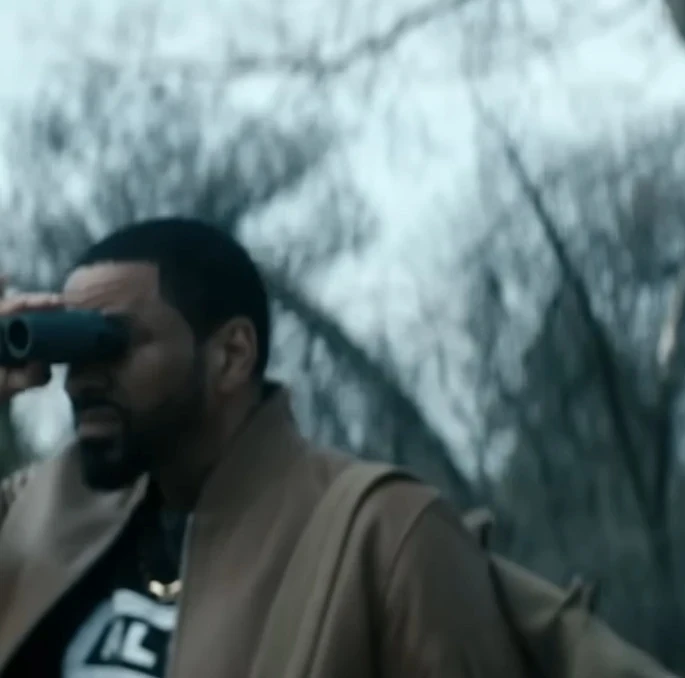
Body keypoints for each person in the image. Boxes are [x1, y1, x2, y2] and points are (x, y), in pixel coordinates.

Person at [0, 217, 528, 677]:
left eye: (110, 343)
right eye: (72, 351)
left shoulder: (383, 533)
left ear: (231, 355)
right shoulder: (40, 511)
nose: (79, 381)